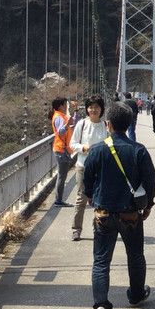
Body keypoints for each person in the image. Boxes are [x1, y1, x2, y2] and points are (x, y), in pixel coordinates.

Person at [80, 101, 155, 309]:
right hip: (130, 213)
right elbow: (150, 180)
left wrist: (91, 197)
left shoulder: (96, 150)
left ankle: (101, 306)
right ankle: (135, 295)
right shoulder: (139, 150)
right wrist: (148, 204)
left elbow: (87, 180)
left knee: (101, 260)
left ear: (108, 124)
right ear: (129, 123)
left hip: (103, 213)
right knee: (135, 256)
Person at [69, 94, 109, 241]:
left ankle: (99, 227)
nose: (93, 110)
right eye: (91, 107)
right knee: (81, 198)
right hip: (83, 166)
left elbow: (112, 145)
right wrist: (84, 147)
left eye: (97, 107)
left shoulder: (106, 125)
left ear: (101, 109)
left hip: (101, 167)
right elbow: (72, 144)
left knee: (101, 200)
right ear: (87, 109)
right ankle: (76, 230)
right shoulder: (82, 124)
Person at [49, 96, 77, 207]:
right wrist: (67, 124)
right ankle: (58, 200)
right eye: (65, 104)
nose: (66, 106)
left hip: (63, 148)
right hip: (61, 149)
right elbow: (60, 132)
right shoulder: (58, 117)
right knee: (62, 176)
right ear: (60, 106)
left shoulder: (61, 115)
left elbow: (74, 121)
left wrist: (76, 110)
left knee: (62, 175)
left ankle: (59, 199)